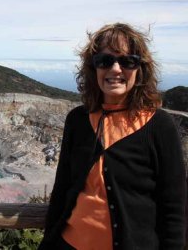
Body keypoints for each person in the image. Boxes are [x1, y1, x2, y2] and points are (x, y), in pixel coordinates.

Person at [39, 23, 186, 249]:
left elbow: (174, 209)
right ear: (93, 68)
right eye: (105, 61)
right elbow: (61, 190)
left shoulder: (160, 126)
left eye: (128, 61)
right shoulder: (78, 120)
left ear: (140, 69)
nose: (115, 69)